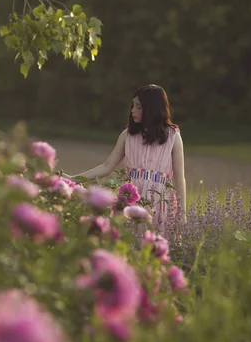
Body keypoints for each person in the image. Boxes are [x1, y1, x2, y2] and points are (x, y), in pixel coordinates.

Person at [64, 84, 187, 234]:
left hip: (160, 204)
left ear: (151, 109)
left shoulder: (173, 137)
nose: (132, 110)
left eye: (138, 107)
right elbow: (106, 166)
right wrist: (74, 179)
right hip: (130, 201)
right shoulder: (128, 135)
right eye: (133, 105)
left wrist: (182, 214)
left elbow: (179, 179)